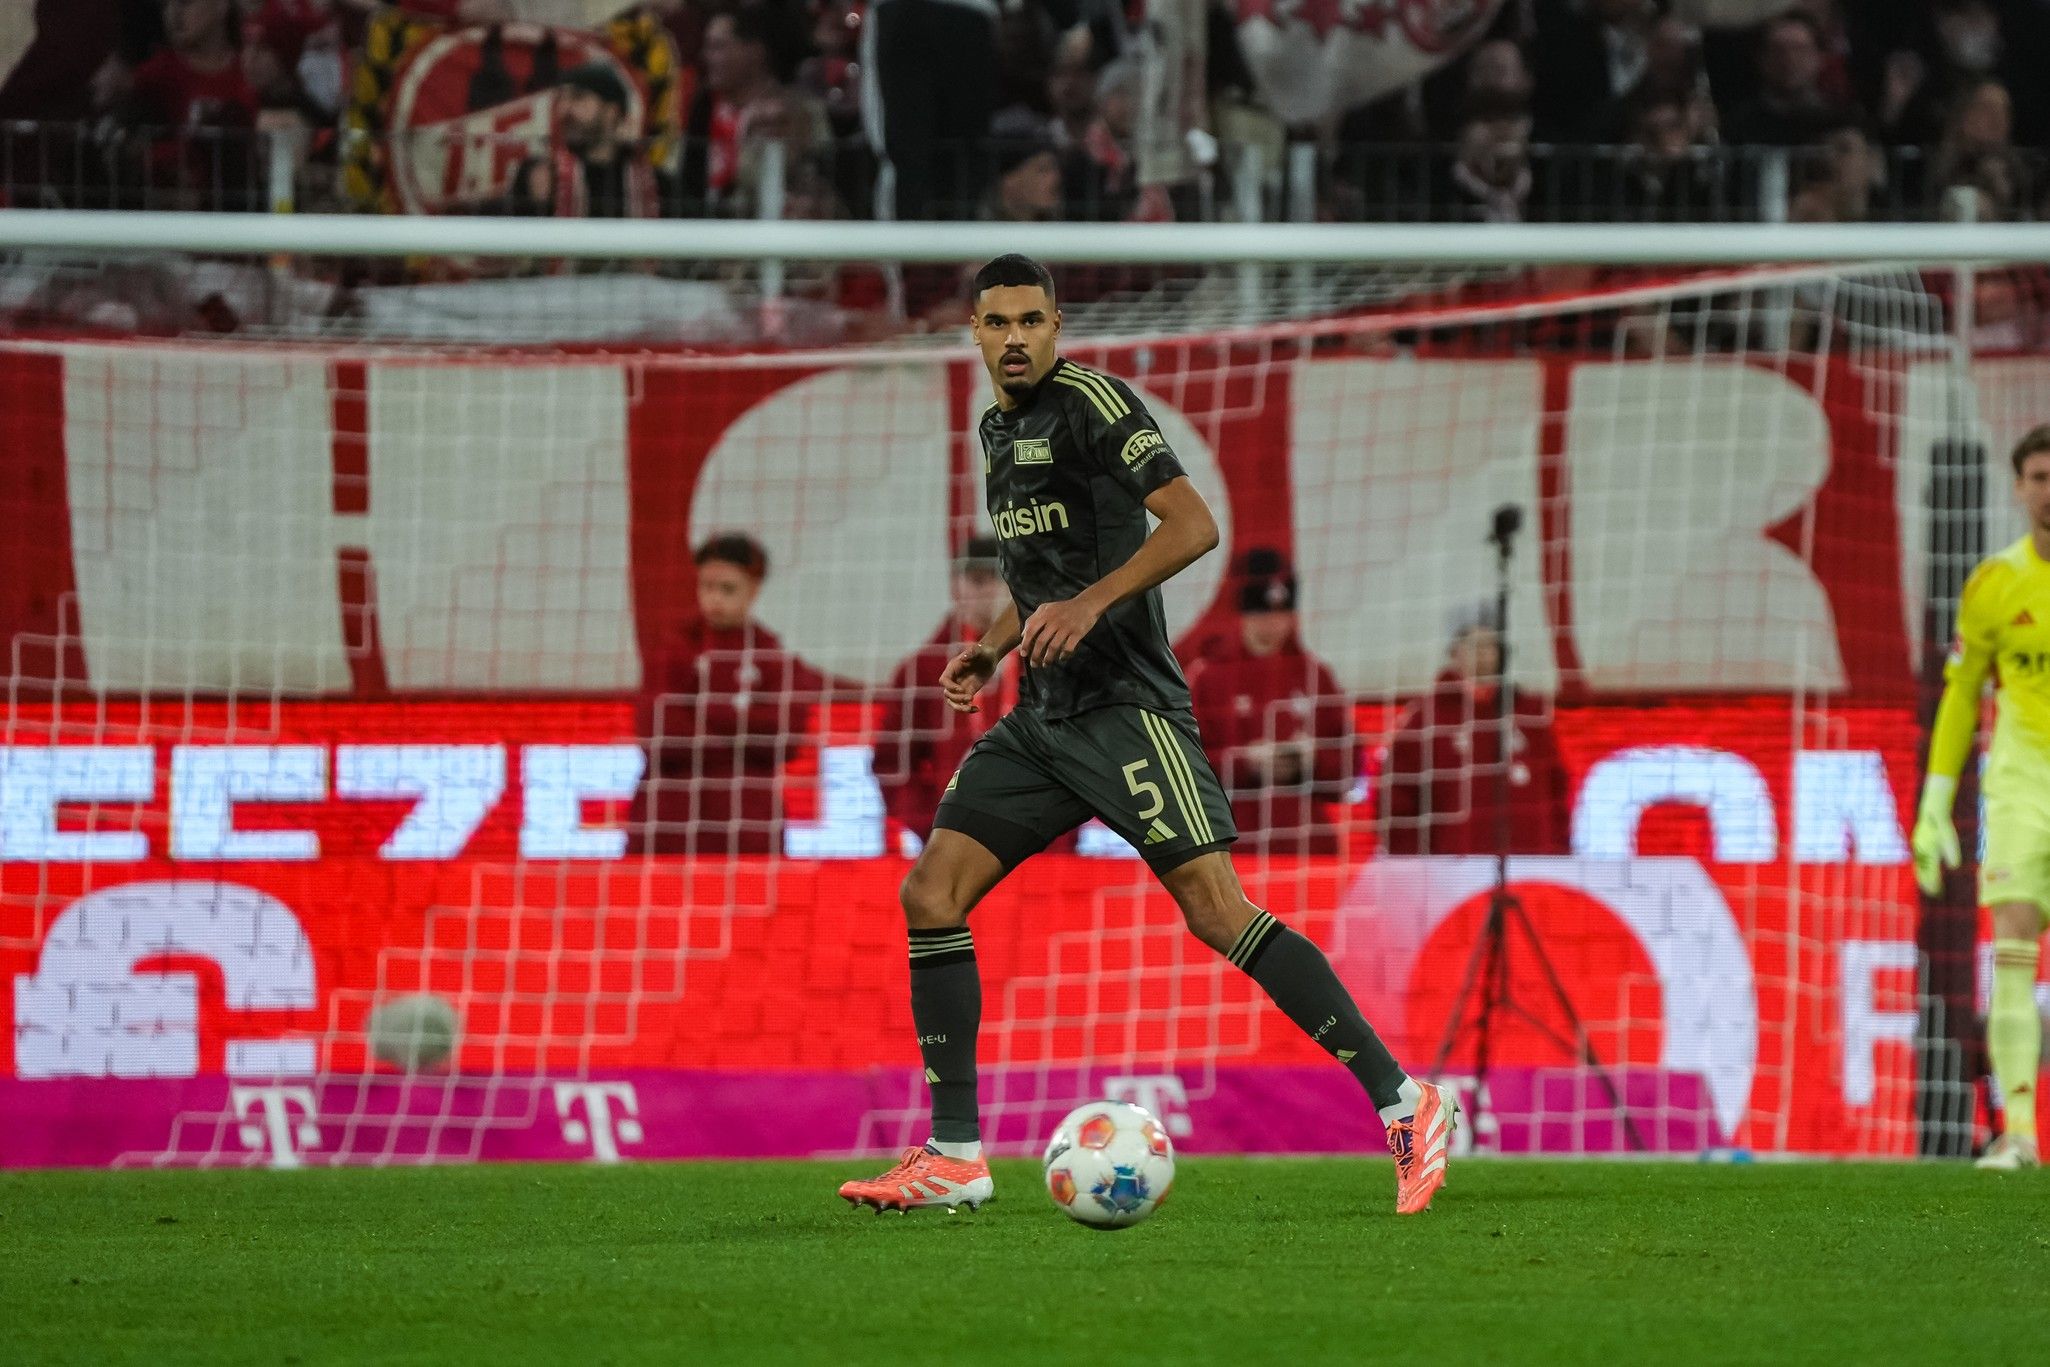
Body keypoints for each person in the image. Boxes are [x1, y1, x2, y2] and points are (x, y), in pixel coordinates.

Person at [836, 254, 1456, 1217]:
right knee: (931, 891)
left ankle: (1405, 1101)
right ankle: (956, 1153)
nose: (1013, 338)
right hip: (1045, 719)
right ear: (973, 332)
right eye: (995, 322)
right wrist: (992, 647)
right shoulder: (998, 427)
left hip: (1129, 710)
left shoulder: (1094, 402)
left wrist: (1088, 605)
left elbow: (1193, 524)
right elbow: (1035, 573)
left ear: (1056, 325)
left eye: (1030, 321)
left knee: (1217, 912)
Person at [1913, 425, 2050, 1171]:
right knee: (2014, 950)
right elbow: (1962, 694)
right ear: (2019, 486)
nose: (2049, 490)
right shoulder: (1994, 583)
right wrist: (1936, 801)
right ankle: (2021, 1132)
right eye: (2038, 476)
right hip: (2025, 787)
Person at [636, 532, 815, 857]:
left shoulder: (771, 656)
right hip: (668, 825)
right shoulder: (672, 649)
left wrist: (705, 713)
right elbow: (660, 734)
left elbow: (786, 738)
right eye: (706, 586)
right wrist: (743, 730)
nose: (714, 598)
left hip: (747, 828)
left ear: (753, 590)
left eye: (728, 589)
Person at [1189, 548, 1354, 857]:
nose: (1275, 624)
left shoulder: (1316, 675)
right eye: (1264, 613)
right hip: (1232, 847)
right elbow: (1185, 766)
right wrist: (1247, 762)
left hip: (1307, 848)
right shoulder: (1208, 677)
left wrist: (1313, 759)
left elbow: (1352, 766)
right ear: (1244, 613)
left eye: (1283, 614)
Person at [1378, 603, 1571, 858]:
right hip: (1452, 876)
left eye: (1491, 645)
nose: (1483, 654)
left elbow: (1557, 793)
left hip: (1529, 867)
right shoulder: (1426, 718)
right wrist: (1417, 865)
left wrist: (1557, 851)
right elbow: (1397, 801)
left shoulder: (1530, 713)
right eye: (1474, 644)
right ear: (1454, 651)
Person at [874, 536, 1014, 852]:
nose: (990, 592)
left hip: (1042, 842)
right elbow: (892, 762)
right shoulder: (922, 669)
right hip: (954, 841)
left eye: (1001, 579)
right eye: (978, 580)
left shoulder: (1047, 657)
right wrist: (931, 826)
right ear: (956, 587)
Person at [500, 62, 664, 218]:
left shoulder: (654, 185)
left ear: (611, 111)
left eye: (578, 97)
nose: (564, 109)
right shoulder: (540, 175)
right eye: (561, 99)